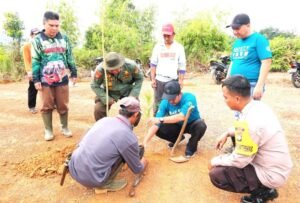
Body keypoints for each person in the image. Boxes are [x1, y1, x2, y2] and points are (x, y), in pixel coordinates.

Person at [208, 75, 293, 203]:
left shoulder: (251, 124)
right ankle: (261, 186)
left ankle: (262, 192)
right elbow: (241, 129)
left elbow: (239, 161)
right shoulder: (257, 107)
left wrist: (215, 161)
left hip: (271, 174)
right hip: (276, 166)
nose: (224, 100)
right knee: (235, 139)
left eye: (225, 97)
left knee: (217, 174)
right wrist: (227, 133)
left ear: (237, 98)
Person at [68, 97, 148, 192]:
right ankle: (105, 184)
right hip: (93, 179)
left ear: (120, 111)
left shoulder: (104, 120)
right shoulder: (128, 137)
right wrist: (144, 162)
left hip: (73, 169)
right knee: (123, 153)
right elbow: (137, 169)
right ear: (136, 114)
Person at [32, 11, 77, 141]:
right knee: (46, 105)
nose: (55, 28)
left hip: (62, 78)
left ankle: (65, 127)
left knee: (63, 105)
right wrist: (36, 79)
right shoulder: (37, 40)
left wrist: (73, 72)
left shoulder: (64, 38)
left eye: (57, 25)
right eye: (51, 25)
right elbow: (35, 60)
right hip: (45, 79)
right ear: (44, 24)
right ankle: (48, 130)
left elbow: (69, 56)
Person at [143, 80, 207, 158]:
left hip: (192, 124)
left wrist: (161, 119)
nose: (170, 101)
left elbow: (181, 116)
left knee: (201, 125)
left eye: (173, 98)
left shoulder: (190, 98)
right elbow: (156, 124)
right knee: (159, 129)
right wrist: (145, 142)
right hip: (177, 125)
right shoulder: (165, 102)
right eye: (168, 98)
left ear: (179, 94)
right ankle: (177, 139)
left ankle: (191, 146)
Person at [226, 13, 272, 100]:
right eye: (233, 29)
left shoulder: (259, 39)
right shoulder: (237, 42)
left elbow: (266, 62)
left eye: (238, 28)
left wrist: (259, 86)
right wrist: (227, 80)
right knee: (237, 113)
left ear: (248, 25)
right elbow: (233, 62)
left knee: (250, 112)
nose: (235, 32)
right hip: (235, 84)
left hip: (250, 84)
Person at [91, 52, 144, 121]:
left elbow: (139, 78)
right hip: (108, 92)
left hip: (127, 91)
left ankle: (128, 127)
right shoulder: (100, 69)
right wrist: (106, 98)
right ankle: (103, 127)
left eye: (116, 68)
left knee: (134, 108)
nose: (115, 71)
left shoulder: (131, 65)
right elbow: (94, 85)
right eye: (111, 70)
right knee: (99, 109)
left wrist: (133, 95)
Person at [150, 23, 186, 115]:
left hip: (172, 81)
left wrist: (181, 80)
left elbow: (182, 66)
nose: (166, 38)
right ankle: (156, 123)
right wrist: (153, 79)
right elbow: (153, 64)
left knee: (173, 102)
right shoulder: (158, 47)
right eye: (164, 35)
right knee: (158, 103)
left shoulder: (179, 48)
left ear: (173, 34)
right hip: (159, 80)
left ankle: (171, 124)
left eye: (168, 36)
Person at [22, 28, 40, 114]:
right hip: (33, 70)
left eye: (38, 34)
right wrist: (29, 71)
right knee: (33, 88)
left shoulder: (42, 45)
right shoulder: (27, 46)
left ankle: (51, 104)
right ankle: (32, 106)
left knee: (49, 87)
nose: (37, 35)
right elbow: (26, 59)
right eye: (35, 34)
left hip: (44, 70)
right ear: (32, 35)